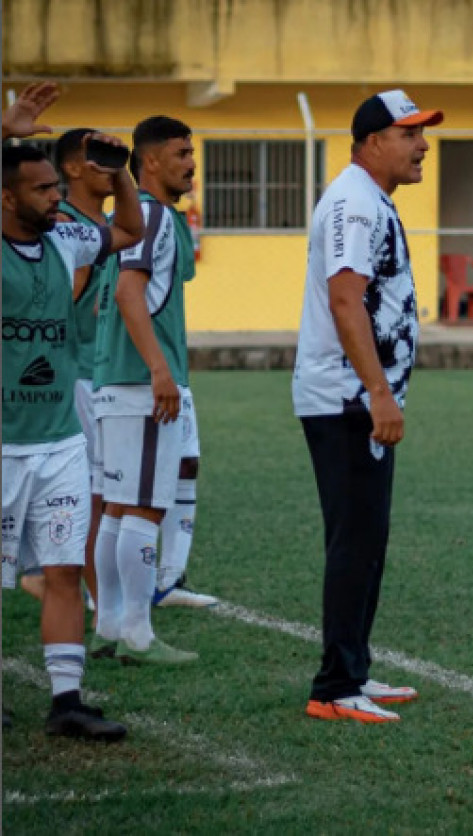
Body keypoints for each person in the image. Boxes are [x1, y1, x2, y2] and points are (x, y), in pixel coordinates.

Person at [293, 90, 443, 723]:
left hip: (357, 399)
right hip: (347, 401)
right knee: (355, 540)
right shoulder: (356, 202)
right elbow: (345, 301)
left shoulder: (367, 199)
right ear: (372, 142)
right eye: (410, 134)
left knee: (368, 539)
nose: (423, 146)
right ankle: (334, 688)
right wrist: (378, 392)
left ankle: (353, 669)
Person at [2, 82, 143, 740]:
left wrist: (120, 177)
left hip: (58, 440)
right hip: (2, 445)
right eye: (42, 190)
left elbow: (129, 229)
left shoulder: (65, 241)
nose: (57, 197)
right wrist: (9, 130)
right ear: (6, 198)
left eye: (58, 187)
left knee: (62, 571)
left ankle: (66, 702)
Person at [90, 115, 209, 666]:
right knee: (144, 509)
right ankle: (136, 632)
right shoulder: (154, 217)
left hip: (118, 378)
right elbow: (128, 292)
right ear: (151, 160)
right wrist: (161, 370)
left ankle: (110, 624)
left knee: (118, 506)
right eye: (182, 153)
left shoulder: (142, 217)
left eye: (192, 153)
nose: (191, 163)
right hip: (142, 383)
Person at [52, 127, 120, 622]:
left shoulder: (112, 224)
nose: (109, 165)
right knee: (95, 493)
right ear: (71, 168)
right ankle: (100, 601)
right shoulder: (64, 224)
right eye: (96, 157)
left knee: (108, 491)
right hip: (75, 374)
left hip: (103, 374)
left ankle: (94, 593)